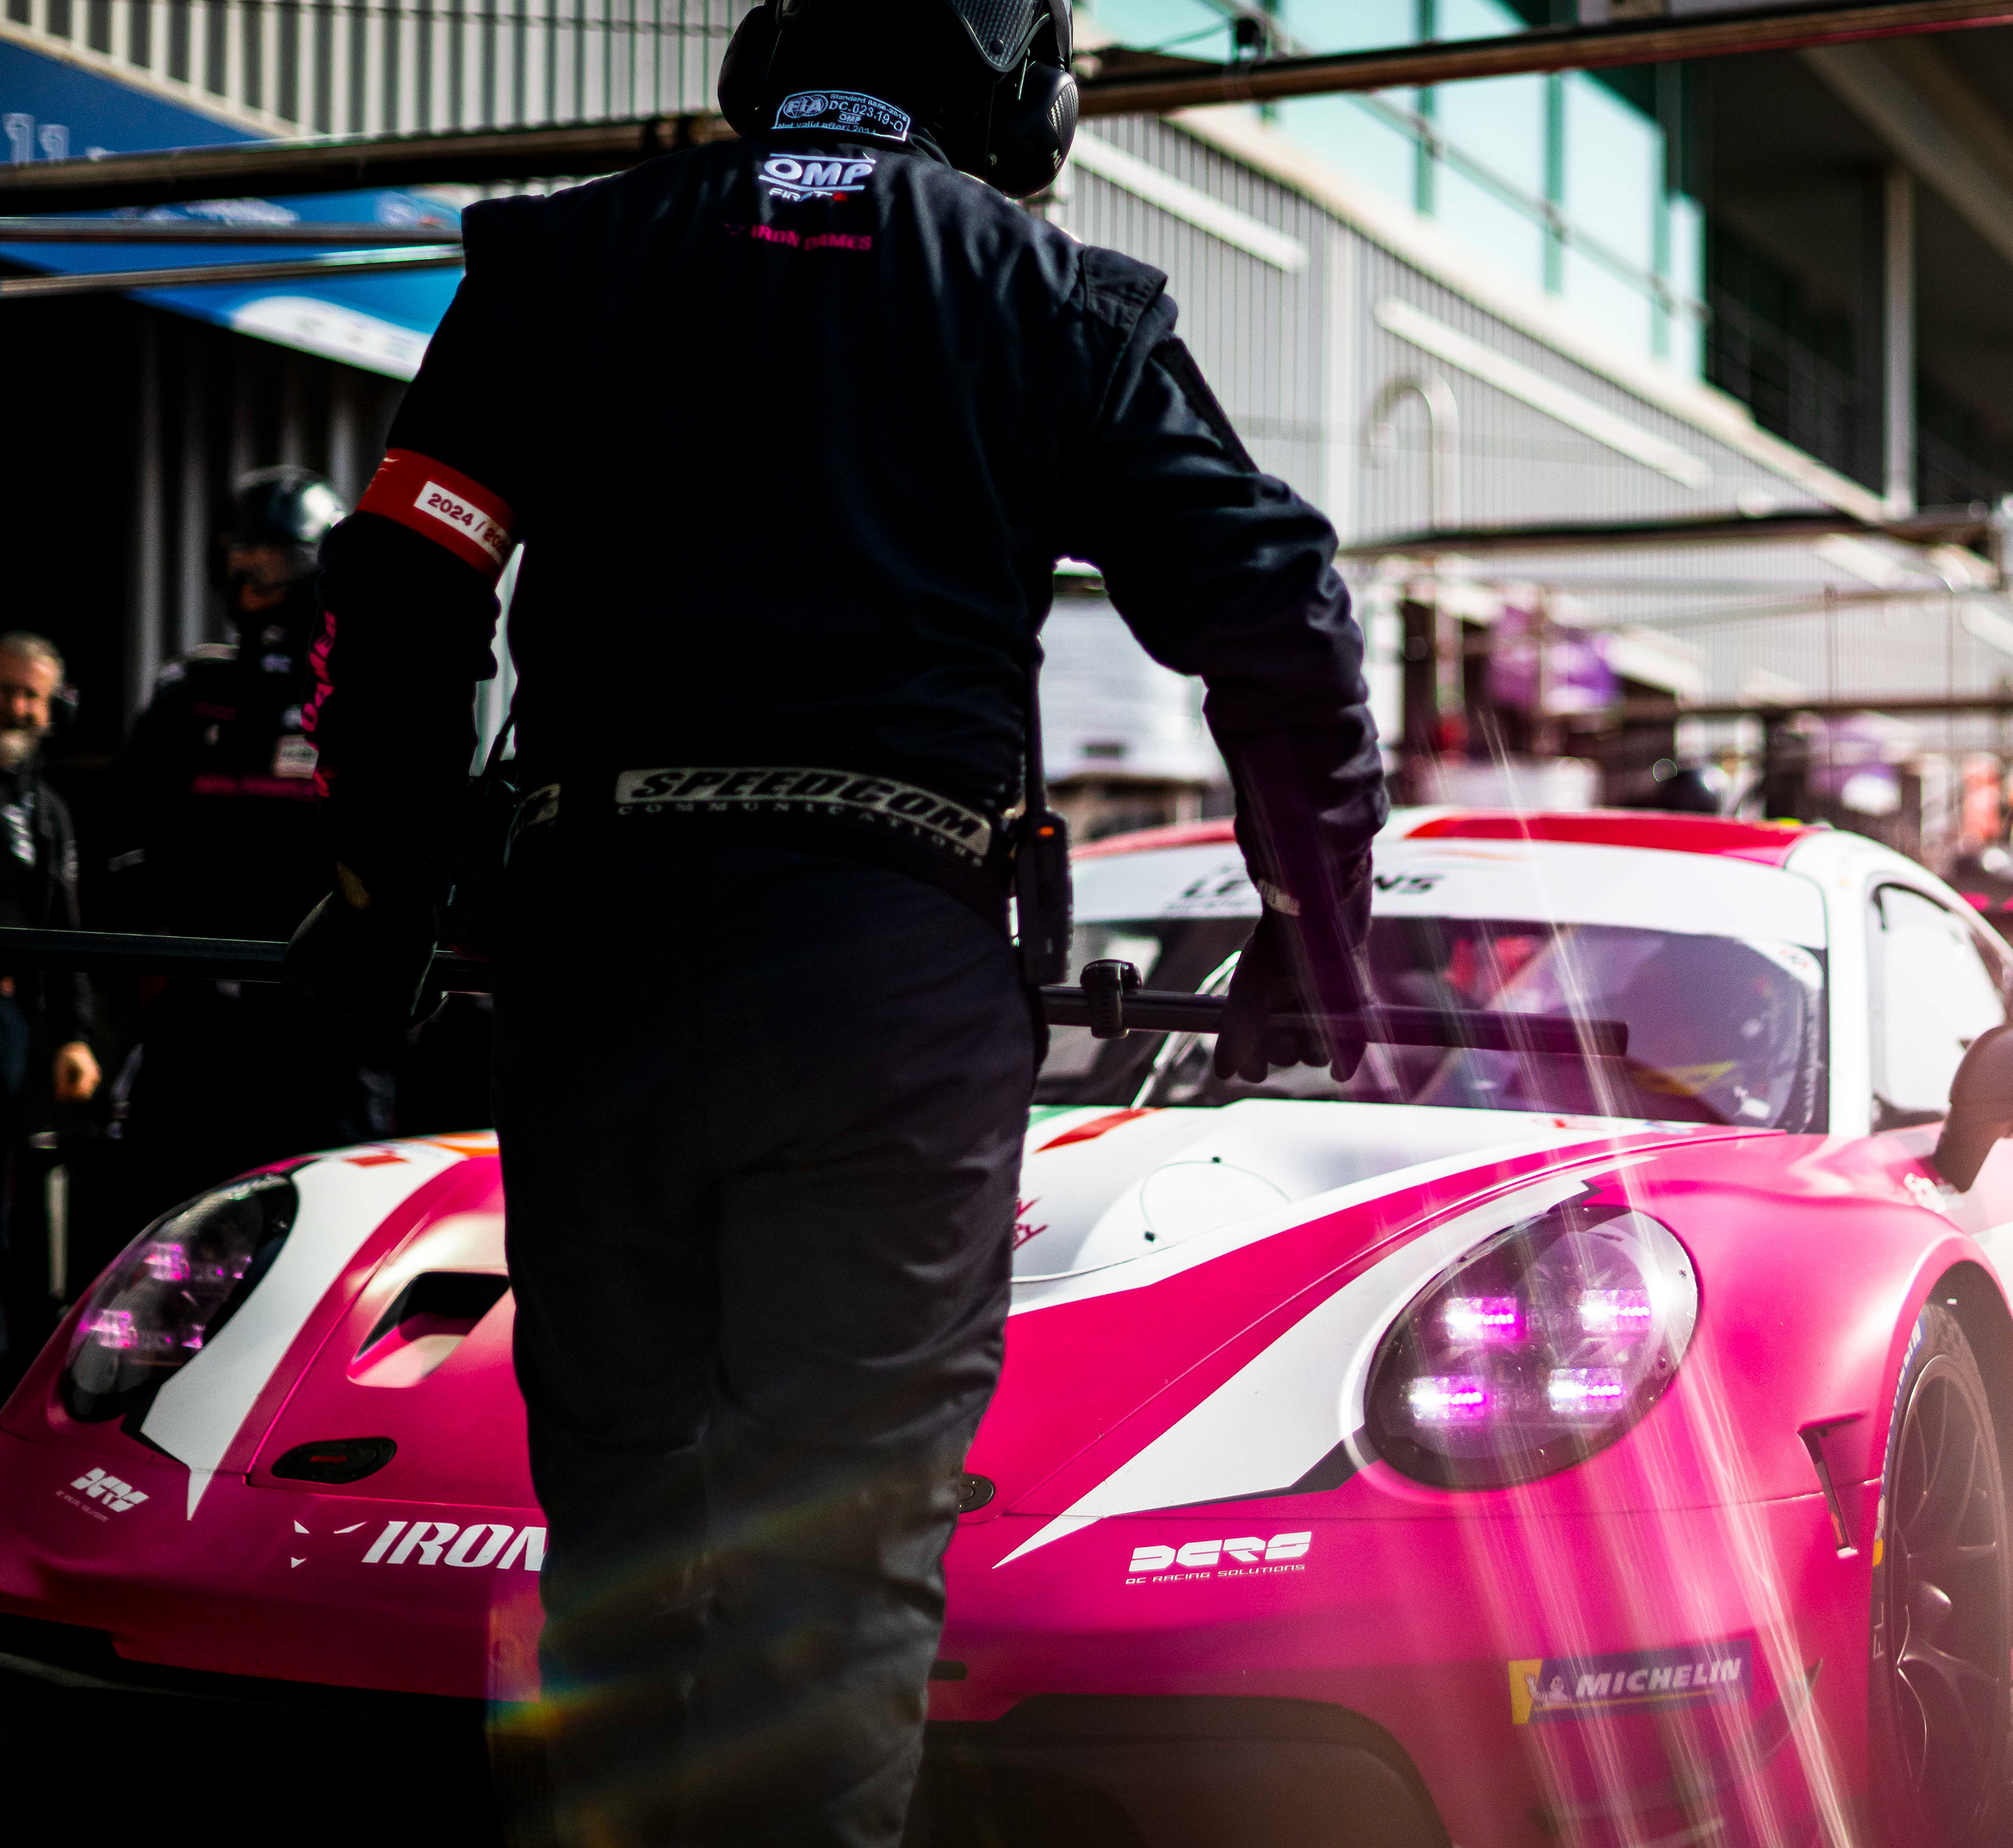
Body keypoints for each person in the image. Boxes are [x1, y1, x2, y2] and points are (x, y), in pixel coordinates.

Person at [290, 1, 1382, 1842]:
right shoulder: (1061, 303)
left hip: (599, 969)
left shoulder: (559, 261)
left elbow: (406, 573)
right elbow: (1277, 612)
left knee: (627, 1530)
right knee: (838, 1555)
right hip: (890, 985)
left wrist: (384, 885)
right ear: (1016, 84)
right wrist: (1311, 940)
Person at [109, 468, 397, 1216]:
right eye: (244, 554)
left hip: (322, 1018)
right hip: (202, 1007)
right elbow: (128, 835)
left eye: (275, 557)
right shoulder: (189, 690)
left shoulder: (359, 688)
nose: (253, 573)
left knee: (325, 1220)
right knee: (173, 1220)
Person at [0, 635, 100, 1445]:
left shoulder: (45, 810)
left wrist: (73, 1035)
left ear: (53, 711)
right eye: (4, 690)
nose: (16, 709)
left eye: (32, 698)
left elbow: (64, 927)